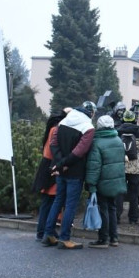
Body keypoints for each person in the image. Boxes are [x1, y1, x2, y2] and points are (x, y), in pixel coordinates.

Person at [43, 101, 97, 250]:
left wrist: (60, 163)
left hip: (60, 169)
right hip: (75, 170)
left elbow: (53, 143)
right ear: (91, 113)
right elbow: (80, 151)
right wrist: (66, 163)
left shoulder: (64, 121)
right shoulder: (88, 127)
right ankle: (65, 238)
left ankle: (48, 234)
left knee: (58, 200)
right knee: (71, 205)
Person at [85, 114, 127, 248]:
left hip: (103, 182)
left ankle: (103, 239)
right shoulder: (118, 141)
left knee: (103, 209)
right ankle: (114, 238)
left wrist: (91, 184)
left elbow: (94, 166)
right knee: (112, 208)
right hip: (116, 181)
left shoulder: (97, 142)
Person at [32, 109, 68, 242]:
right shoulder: (56, 129)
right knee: (50, 202)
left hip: (46, 166)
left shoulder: (52, 128)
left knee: (47, 202)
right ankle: (46, 232)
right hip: (51, 167)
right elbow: (54, 150)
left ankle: (44, 231)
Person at [116, 108, 139, 225]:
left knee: (119, 193)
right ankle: (133, 218)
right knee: (134, 193)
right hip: (135, 166)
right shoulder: (138, 131)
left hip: (121, 165)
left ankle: (116, 217)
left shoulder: (118, 130)